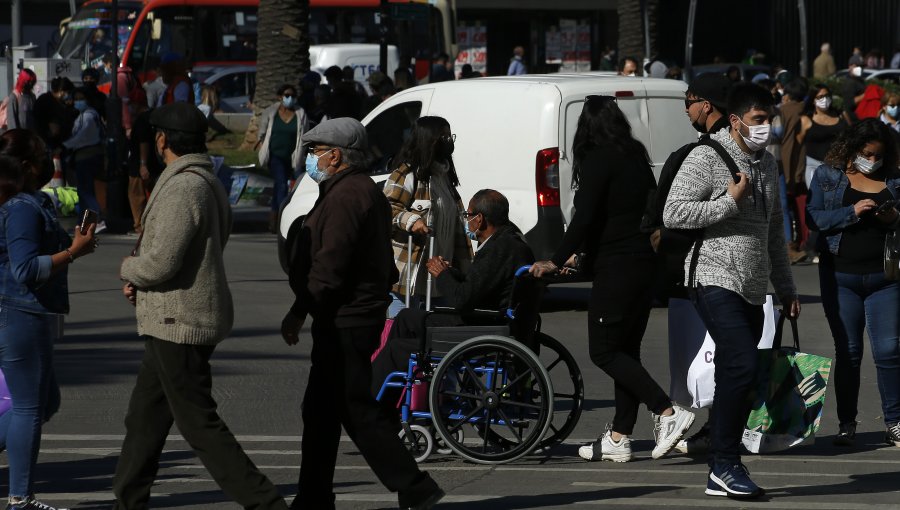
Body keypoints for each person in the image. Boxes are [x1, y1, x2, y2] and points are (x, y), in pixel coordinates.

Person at [112, 102, 287, 510]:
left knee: (200, 425)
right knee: (144, 421)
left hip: (180, 321)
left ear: (161, 140)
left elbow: (162, 261)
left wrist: (129, 268)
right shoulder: (202, 180)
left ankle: (266, 503)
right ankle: (128, 500)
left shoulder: (184, 186)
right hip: (171, 318)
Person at [280, 117, 444, 510]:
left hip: (345, 320)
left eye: (316, 151)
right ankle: (316, 496)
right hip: (352, 315)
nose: (311, 158)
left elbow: (329, 265)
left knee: (352, 408)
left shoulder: (345, 197)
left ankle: (414, 484)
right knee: (325, 410)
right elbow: (383, 264)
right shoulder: (355, 191)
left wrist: (302, 310)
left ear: (336, 156)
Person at [531, 95, 695, 463]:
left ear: (586, 128)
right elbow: (627, 212)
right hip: (643, 264)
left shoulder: (598, 158)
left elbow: (585, 216)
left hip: (618, 267)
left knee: (603, 351)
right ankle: (619, 438)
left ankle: (666, 411)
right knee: (625, 351)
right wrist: (582, 255)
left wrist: (555, 260)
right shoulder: (634, 154)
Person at [663, 83, 800, 499]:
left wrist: (787, 286)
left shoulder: (768, 164)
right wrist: (727, 200)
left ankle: (721, 456)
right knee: (740, 363)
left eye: (770, 120)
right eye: (759, 121)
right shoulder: (707, 157)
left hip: (753, 284)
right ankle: (724, 464)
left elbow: (775, 232)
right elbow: (674, 212)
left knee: (741, 372)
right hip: (712, 275)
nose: (766, 128)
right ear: (737, 120)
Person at [0, 128, 97, 510]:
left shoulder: (27, 201)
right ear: (25, 165)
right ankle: (21, 498)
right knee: (28, 407)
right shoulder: (21, 207)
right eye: (42, 155)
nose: (49, 162)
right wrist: (74, 252)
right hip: (20, 311)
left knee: (44, 401)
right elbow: (25, 269)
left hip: (27, 312)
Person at [373, 189, 534, 405]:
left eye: (468, 216)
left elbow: (462, 300)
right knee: (406, 317)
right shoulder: (508, 240)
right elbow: (481, 284)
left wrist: (442, 275)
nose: (467, 221)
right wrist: (452, 273)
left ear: (480, 219)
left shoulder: (499, 247)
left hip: (482, 327)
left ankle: (369, 399)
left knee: (397, 348)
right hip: (488, 319)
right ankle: (390, 397)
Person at [806, 119, 900, 449]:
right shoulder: (828, 175)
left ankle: (895, 422)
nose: (872, 160)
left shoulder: (895, 177)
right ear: (851, 149)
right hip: (840, 276)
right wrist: (853, 211)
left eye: (878, 155)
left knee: (889, 351)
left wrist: (894, 218)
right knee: (848, 352)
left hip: (885, 278)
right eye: (866, 153)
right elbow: (813, 218)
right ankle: (847, 422)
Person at [383, 116, 472, 317]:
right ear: (428, 140)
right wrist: (412, 221)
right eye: (444, 136)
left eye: (450, 136)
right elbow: (387, 208)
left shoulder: (445, 176)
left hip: (440, 276)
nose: (449, 141)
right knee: (402, 337)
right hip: (409, 279)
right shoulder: (407, 174)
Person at [257, 84, 309, 229]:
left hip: (294, 156)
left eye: (293, 96)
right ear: (280, 97)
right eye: (287, 95)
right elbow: (261, 134)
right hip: (275, 156)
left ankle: (273, 218)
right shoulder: (270, 112)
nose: (290, 98)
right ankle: (282, 219)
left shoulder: (300, 113)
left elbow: (305, 134)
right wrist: (263, 151)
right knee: (281, 185)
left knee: (292, 186)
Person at [61, 87, 107, 233]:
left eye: (81, 98)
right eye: (76, 99)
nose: (77, 102)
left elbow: (83, 136)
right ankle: (82, 224)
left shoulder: (88, 116)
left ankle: (97, 220)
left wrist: (65, 145)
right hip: (89, 155)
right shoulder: (90, 114)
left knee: (86, 191)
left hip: (86, 156)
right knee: (84, 191)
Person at [780, 78, 811, 263]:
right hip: (804, 166)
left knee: (784, 207)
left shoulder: (782, 112)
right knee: (800, 206)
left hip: (784, 165)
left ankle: (788, 245)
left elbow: (787, 145)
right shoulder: (807, 112)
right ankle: (802, 242)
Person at [124, 89, 160, 233]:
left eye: (132, 104)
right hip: (154, 163)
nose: (130, 107)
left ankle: (139, 225)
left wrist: (142, 164)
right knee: (154, 195)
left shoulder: (141, 121)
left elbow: (143, 142)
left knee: (136, 195)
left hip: (139, 165)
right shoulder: (153, 117)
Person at [33, 76, 75, 151]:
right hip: (47, 144)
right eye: (68, 92)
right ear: (61, 91)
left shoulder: (59, 102)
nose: (68, 95)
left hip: (57, 143)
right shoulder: (46, 101)